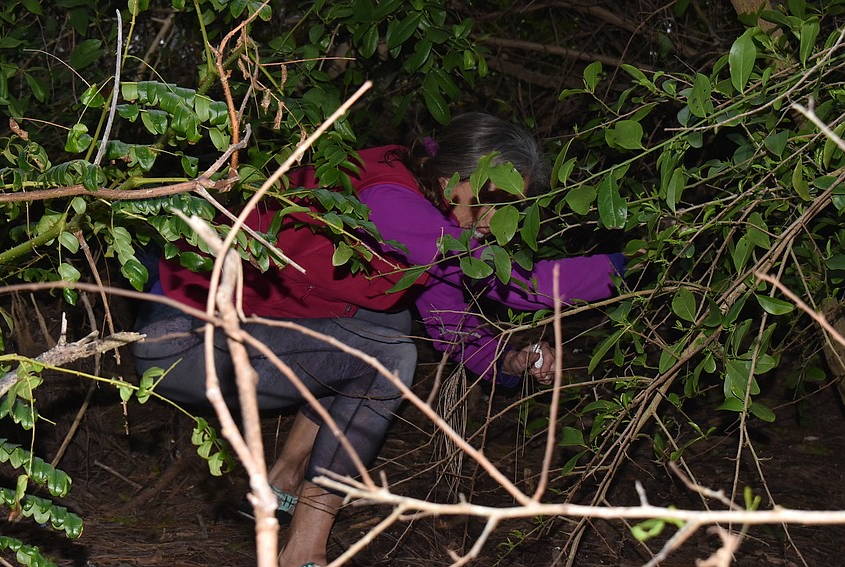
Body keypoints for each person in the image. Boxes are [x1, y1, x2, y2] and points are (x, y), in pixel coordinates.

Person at [130, 112, 625, 567]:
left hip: (232, 334)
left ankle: (283, 481)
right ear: (453, 177)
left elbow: (450, 323)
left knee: (389, 322)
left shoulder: (426, 213)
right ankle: (304, 551)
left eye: (512, 205)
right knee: (389, 355)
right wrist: (629, 265)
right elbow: (518, 285)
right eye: (492, 197)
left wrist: (510, 360)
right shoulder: (392, 200)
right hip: (179, 341)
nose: (498, 218)